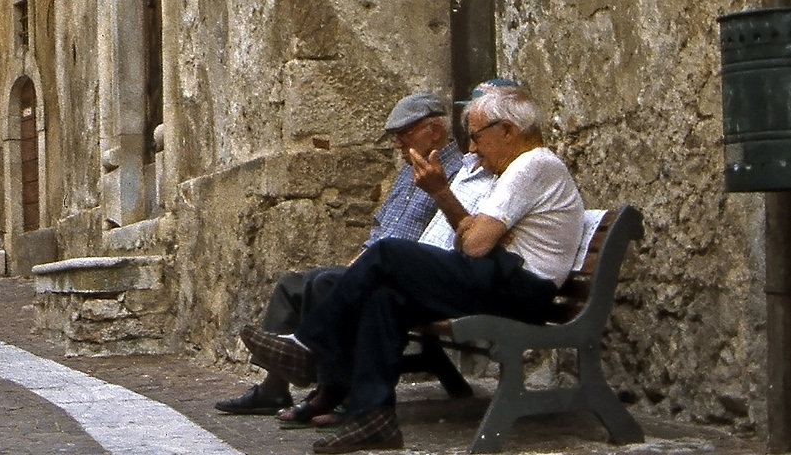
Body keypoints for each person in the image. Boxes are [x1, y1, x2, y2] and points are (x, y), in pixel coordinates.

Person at [242, 82, 585, 453]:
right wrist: (462, 218)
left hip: (521, 288)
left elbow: (473, 243)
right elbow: (472, 237)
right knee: (386, 298)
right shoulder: (521, 167)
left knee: (389, 254)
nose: (472, 148)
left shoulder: (531, 165)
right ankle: (375, 419)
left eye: (476, 137)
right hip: (502, 279)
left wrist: (442, 195)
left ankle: (310, 345)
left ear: (507, 130)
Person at [215, 90, 465, 416]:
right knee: (292, 283)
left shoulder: (455, 174)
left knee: (324, 283)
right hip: (376, 261)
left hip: (403, 273)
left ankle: (335, 390)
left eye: (404, 135)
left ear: (434, 131)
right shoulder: (409, 171)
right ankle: (274, 388)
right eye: (395, 137)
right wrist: (362, 255)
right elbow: (381, 226)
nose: (398, 145)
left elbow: (433, 240)